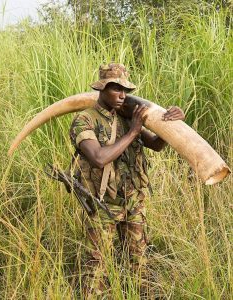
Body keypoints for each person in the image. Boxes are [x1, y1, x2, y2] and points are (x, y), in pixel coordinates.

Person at [70, 63, 185, 296]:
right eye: (116, 88)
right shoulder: (85, 120)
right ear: (102, 89)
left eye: (126, 90)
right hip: (102, 205)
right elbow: (98, 158)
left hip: (133, 202)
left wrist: (173, 122)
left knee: (139, 263)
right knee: (96, 269)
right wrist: (133, 131)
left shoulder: (126, 117)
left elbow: (155, 145)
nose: (122, 95)